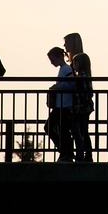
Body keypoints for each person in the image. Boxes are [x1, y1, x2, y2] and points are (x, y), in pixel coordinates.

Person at [64, 33, 93, 163]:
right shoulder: (79, 68)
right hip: (79, 105)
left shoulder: (80, 72)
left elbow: (87, 92)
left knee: (81, 130)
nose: (64, 46)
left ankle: (82, 154)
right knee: (80, 130)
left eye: (67, 43)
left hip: (80, 105)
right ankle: (81, 154)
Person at [44, 47, 75, 162]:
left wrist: (59, 87)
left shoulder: (66, 69)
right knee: (60, 129)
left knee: (52, 127)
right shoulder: (64, 69)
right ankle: (65, 152)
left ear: (59, 57)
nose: (52, 63)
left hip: (64, 105)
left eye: (53, 60)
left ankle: (65, 152)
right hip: (61, 105)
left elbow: (72, 85)